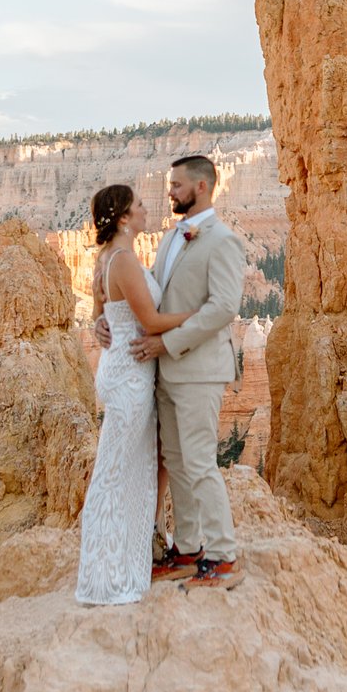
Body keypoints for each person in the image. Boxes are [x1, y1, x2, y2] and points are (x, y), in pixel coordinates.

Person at [116, 154, 246, 587]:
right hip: (169, 370)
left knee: (200, 463)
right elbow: (153, 290)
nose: (169, 191)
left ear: (202, 187)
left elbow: (224, 307)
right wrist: (110, 316)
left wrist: (167, 342)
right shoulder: (174, 237)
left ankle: (225, 557)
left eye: (176, 185)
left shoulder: (221, 240)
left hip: (198, 369)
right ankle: (189, 550)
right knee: (177, 460)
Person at [73, 182, 186, 604]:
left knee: (125, 467)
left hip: (121, 369)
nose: (145, 208)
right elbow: (151, 320)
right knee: (121, 473)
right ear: (123, 217)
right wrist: (203, 314)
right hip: (131, 377)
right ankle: (108, 574)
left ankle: (130, 556)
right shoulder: (120, 260)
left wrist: (98, 324)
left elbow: (101, 316)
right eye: (138, 204)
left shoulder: (108, 259)